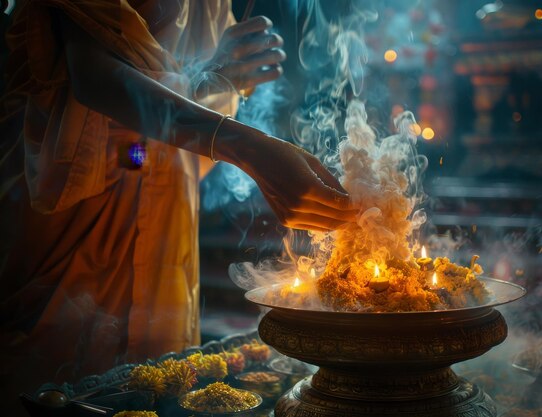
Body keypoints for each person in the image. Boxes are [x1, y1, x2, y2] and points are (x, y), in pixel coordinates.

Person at [0, 0, 356, 412]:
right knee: (56, 394)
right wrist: (248, 147)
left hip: (166, 242)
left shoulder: (213, 9)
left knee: (166, 389)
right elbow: (94, 77)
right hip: (69, 240)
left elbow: (162, 147)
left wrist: (216, 84)